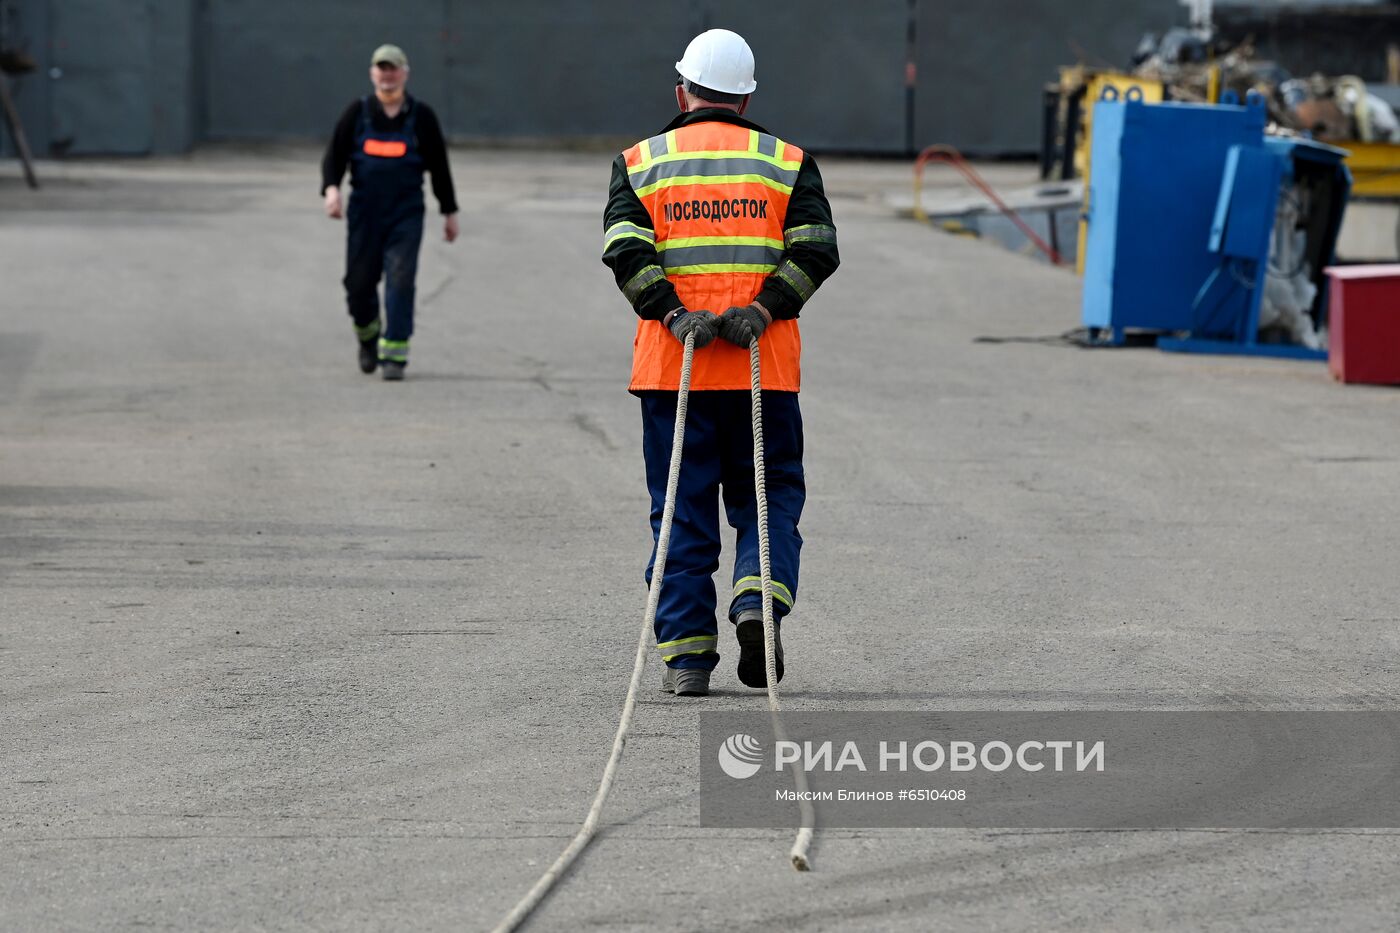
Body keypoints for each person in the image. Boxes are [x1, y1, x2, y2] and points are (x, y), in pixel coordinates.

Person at [602, 29, 840, 697]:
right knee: (768, 499)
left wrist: (673, 313)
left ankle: (685, 657)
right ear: (745, 97)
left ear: (683, 91)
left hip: (673, 372)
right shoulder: (787, 162)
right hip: (763, 372)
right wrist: (762, 311)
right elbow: (817, 248)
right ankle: (757, 603)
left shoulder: (641, 160)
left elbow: (626, 250)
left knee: (680, 508)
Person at [320, 44, 458, 381]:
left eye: (393, 68)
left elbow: (439, 167)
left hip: (405, 213)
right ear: (373, 73)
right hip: (365, 213)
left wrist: (449, 211)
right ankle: (368, 337)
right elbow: (334, 156)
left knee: (400, 278)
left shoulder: (421, 116)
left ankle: (394, 353)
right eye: (382, 68)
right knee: (358, 284)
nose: (387, 74)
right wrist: (332, 189)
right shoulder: (358, 112)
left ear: (404, 73)